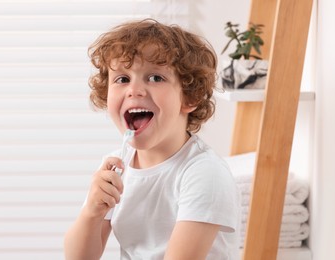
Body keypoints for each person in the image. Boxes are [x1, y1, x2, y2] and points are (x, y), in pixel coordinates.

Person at [64, 18, 241, 260]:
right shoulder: (115, 167)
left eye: (155, 78)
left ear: (190, 97)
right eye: (122, 79)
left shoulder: (204, 173)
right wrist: (92, 214)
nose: (133, 90)